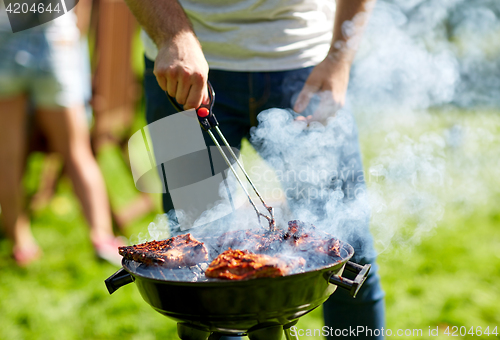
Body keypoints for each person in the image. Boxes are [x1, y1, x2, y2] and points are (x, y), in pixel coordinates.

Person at [124, 0, 385, 338]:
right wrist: (173, 34)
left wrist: (339, 58)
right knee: (202, 277)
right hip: (181, 69)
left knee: (350, 259)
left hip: (305, 64)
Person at [0, 3, 123, 266]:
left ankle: (21, 245)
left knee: (6, 155)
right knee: (77, 150)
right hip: (53, 36)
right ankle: (102, 237)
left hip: (4, 32)